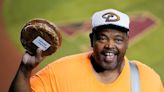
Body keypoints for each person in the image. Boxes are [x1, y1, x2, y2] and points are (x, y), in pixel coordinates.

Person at [9, 9, 163, 92]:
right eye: (102, 38)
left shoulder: (147, 79)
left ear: (127, 42)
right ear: (91, 39)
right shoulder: (61, 71)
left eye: (118, 39)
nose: (110, 45)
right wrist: (25, 69)